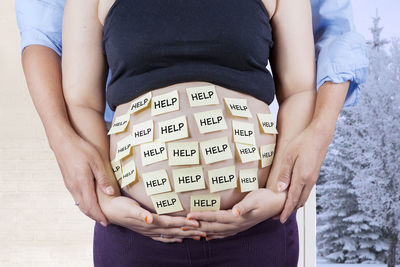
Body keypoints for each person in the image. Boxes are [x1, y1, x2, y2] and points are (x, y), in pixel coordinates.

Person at [15, 0, 368, 262]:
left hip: (255, 233)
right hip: (135, 238)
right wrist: (106, 199)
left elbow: (299, 91)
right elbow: (82, 102)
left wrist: (278, 191)